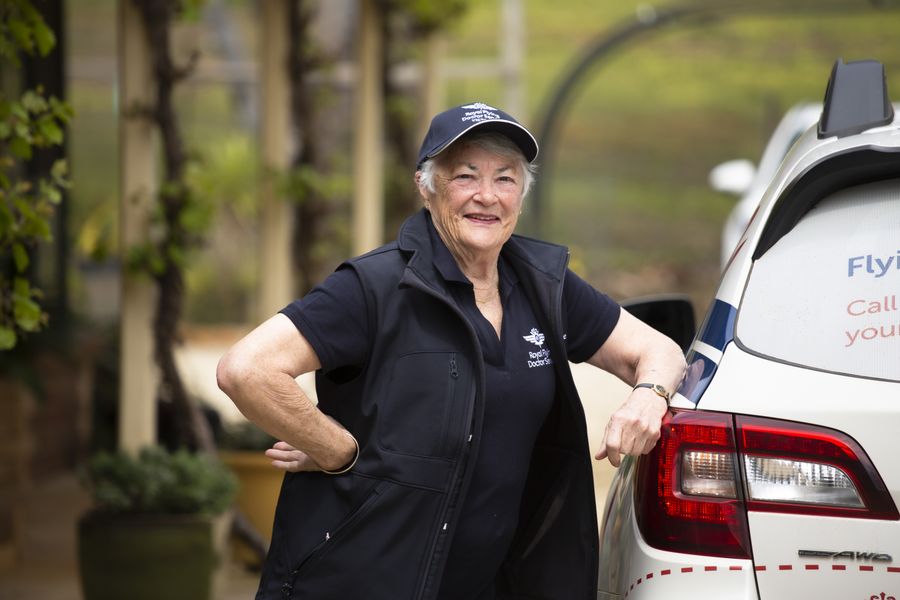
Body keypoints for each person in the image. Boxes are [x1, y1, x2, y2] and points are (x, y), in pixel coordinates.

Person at [216, 101, 686, 600]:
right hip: (361, 580)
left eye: (505, 179)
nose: (486, 196)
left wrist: (647, 397)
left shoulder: (543, 285)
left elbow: (658, 349)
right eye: (465, 176)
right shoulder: (375, 286)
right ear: (427, 185)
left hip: (490, 581)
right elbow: (247, 370)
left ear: (521, 195)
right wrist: (340, 452)